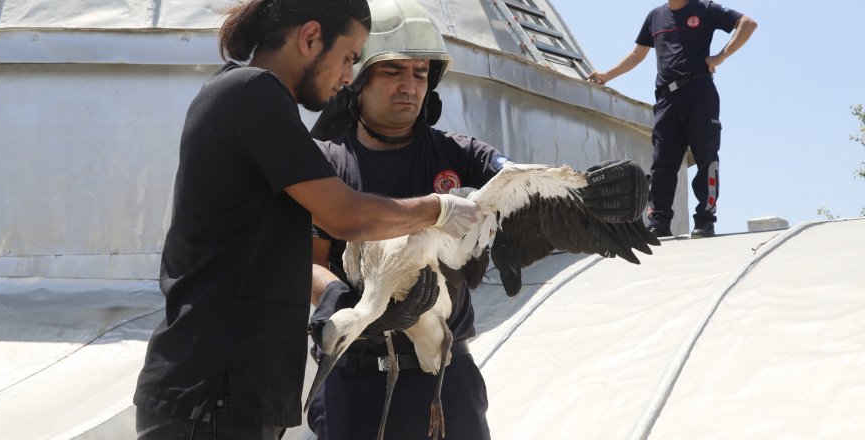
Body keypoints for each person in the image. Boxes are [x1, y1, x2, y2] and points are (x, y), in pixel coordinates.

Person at [132, 0, 480, 438]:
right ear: (310, 37)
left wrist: (336, 294)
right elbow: (346, 216)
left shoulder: (261, 103)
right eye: (350, 58)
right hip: (211, 394)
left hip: (237, 396)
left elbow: (269, 250)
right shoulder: (251, 94)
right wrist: (441, 208)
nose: (349, 76)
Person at [305, 1, 649, 439]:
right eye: (393, 71)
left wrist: (606, 194)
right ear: (356, 78)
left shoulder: (462, 156)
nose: (409, 86)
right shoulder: (327, 164)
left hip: (446, 382)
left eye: (420, 73)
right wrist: (343, 298)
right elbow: (305, 259)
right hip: (355, 381)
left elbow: (524, 183)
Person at [588, 0, 757, 238]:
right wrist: (607, 75)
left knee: (706, 157)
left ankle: (705, 220)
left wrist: (721, 56)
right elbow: (638, 54)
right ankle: (659, 221)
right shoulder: (655, 16)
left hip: (699, 90)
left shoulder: (705, 8)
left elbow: (747, 24)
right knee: (662, 163)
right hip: (666, 98)